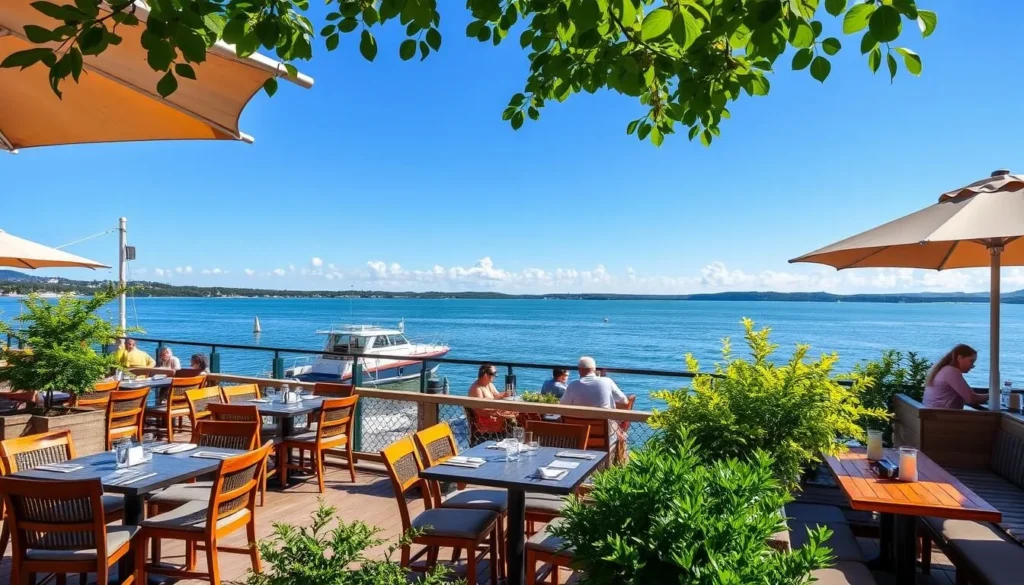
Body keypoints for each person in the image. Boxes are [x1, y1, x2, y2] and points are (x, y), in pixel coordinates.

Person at [922, 344, 988, 409]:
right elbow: (971, 398)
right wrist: (992, 396)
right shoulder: (951, 371)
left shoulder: (944, 370)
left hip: (932, 415)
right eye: (971, 361)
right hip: (940, 417)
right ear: (960, 358)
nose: (972, 366)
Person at [561, 356, 629, 409]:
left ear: (579, 370)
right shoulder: (607, 381)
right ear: (594, 369)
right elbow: (624, 401)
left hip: (578, 424)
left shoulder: (573, 385)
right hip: (602, 425)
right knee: (631, 397)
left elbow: (563, 404)